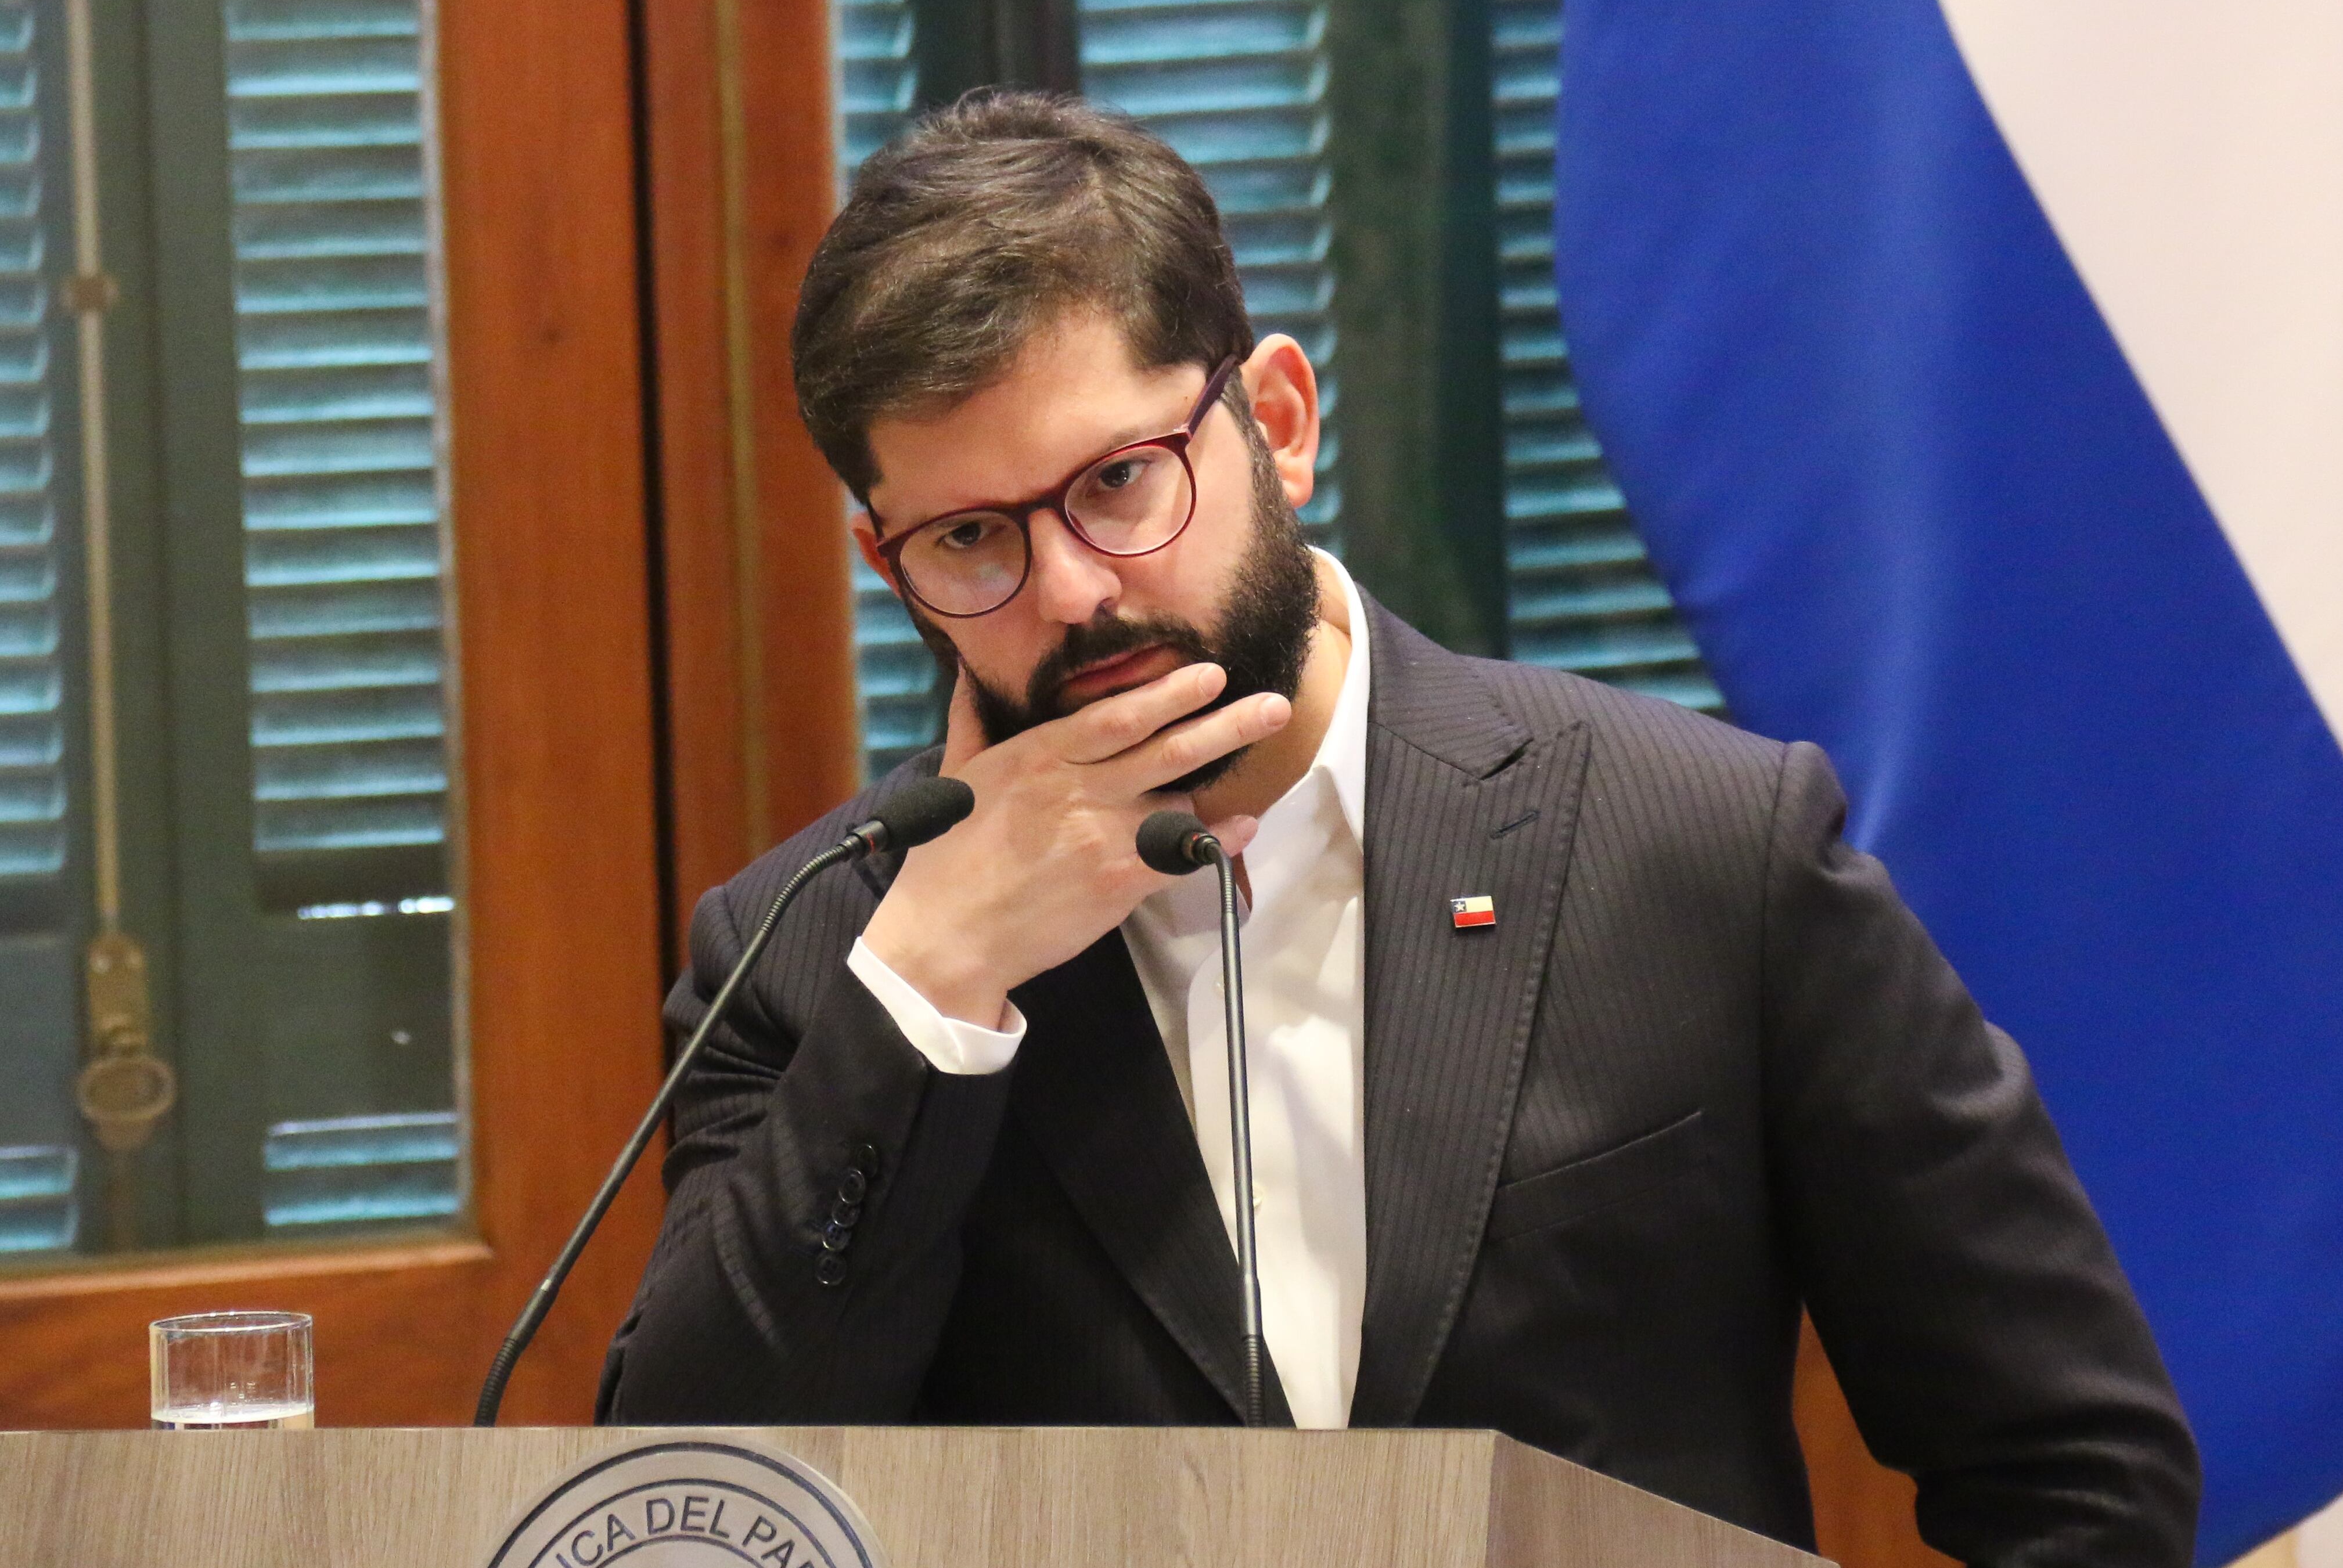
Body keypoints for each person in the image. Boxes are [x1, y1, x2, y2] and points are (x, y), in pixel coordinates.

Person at [599, 91, 2198, 1563]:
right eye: (971, 537)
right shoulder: (819, 955)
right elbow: (685, 1514)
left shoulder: (1699, 847)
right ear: (893, 569)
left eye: (1117, 483)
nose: (1074, 588)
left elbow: (2077, 1462)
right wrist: (936, 982)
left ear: (1275, 420)